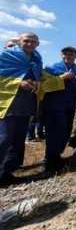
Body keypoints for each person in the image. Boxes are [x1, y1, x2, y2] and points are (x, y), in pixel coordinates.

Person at [0, 33, 42, 185]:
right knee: (3, 139)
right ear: (19, 41)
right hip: (7, 104)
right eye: (26, 41)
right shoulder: (5, 55)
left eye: (33, 41)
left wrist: (36, 84)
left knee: (17, 142)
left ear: (38, 44)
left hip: (26, 105)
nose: (30, 43)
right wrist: (18, 83)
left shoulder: (37, 59)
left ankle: (5, 173)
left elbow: (39, 77)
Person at [40, 46, 76, 171]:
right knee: (55, 132)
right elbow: (43, 85)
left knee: (66, 132)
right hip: (54, 105)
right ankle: (49, 162)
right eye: (64, 53)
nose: (67, 55)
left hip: (69, 105)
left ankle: (56, 156)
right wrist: (62, 78)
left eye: (71, 53)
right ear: (61, 55)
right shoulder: (52, 68)